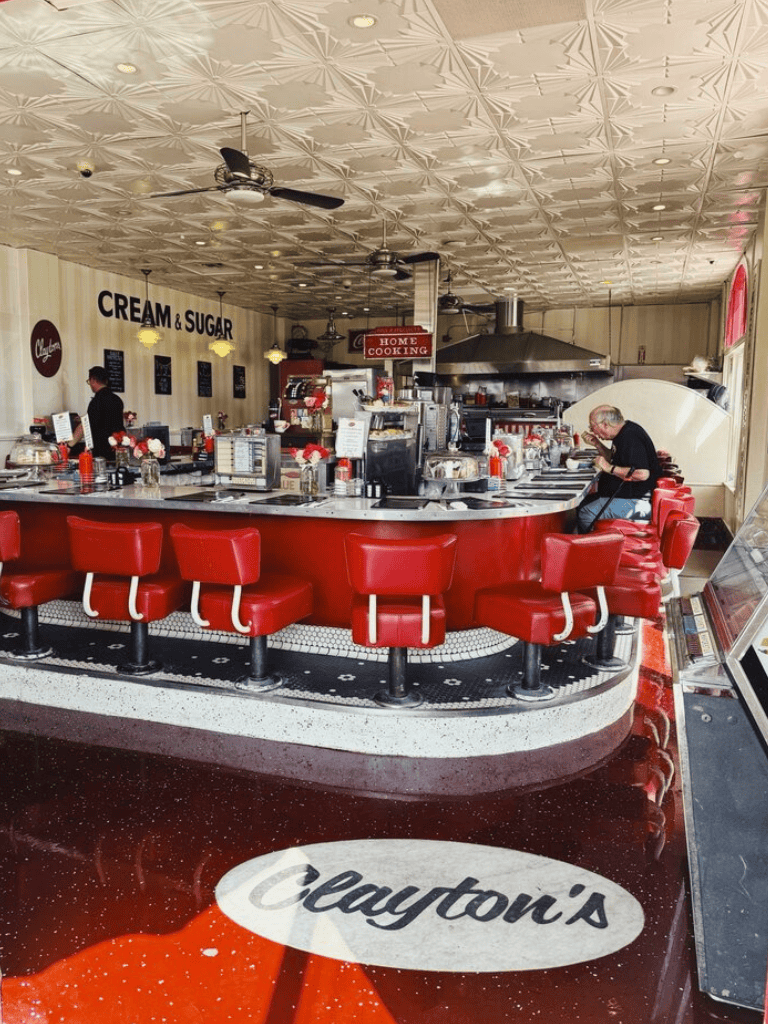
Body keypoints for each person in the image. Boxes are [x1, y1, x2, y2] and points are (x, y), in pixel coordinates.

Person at [576, 404, 662, 532]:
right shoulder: (623, 432)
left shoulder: (630, 437)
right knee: (583, 503)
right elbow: (614, 457)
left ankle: (593, 547)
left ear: (605, 424)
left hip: (638, 502)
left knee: (585, 511)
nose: (592, 431)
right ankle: (597, 543)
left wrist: (609, 468)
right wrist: (597, 444)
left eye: (592, 426)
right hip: (628, 496)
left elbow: (642, 474)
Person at [67, 366, 124, 460]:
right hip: (117, 451)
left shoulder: (96, 402)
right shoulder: (117, 400)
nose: (90, 385)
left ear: (93, 380)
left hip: (101, 452)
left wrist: (69, 445)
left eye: (89, 381)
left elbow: (85, 426)